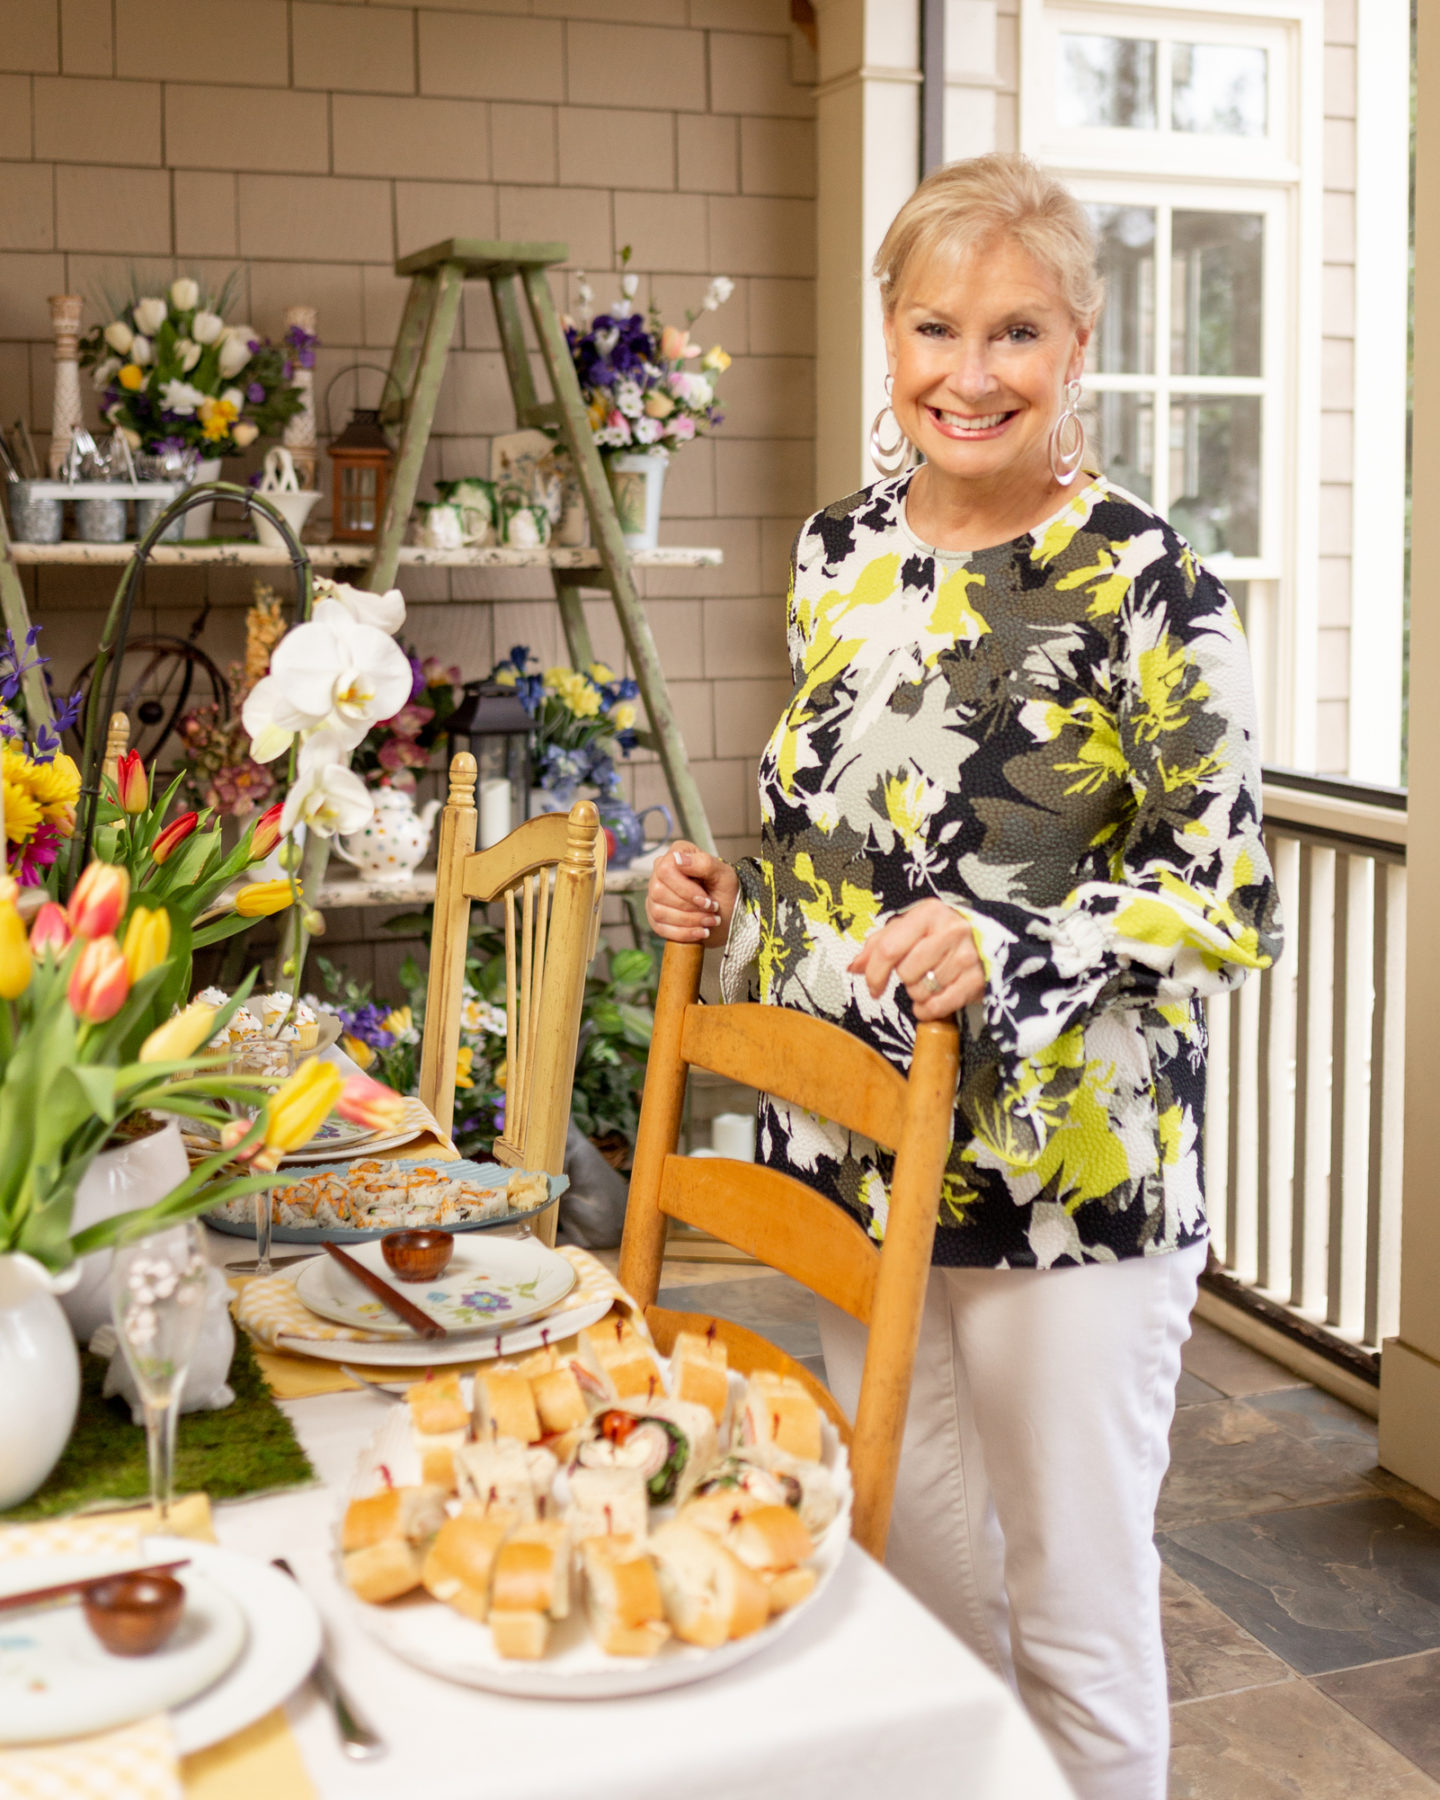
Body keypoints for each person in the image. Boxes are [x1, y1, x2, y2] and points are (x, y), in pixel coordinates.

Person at [646, 152, 1280, 1800]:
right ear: (892, 336)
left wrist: (1009, 944)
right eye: (936, 328)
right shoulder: (837, 552)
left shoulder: (1153, 582)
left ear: (1079, 345)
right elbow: (843, 832)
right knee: (916, 1608)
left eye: (1015, 332)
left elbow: (1225, 896)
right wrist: (728, 895)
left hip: (1066, 1183)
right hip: (859, 1169)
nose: (970, 373)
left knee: (1074, 1626)